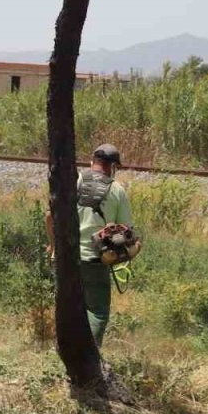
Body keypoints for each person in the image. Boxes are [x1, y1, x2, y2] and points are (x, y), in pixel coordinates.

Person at [46, 143, 133, 348]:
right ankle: (89, 360)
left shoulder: (72, 181)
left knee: (66, 309)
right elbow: (126, 230)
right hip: (95, 261)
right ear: (112, 167)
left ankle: (64, 355)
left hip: (65, 257)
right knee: (96, 312)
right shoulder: (117, 190)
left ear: (92, 161)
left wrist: (52, 246)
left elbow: (50, 216)